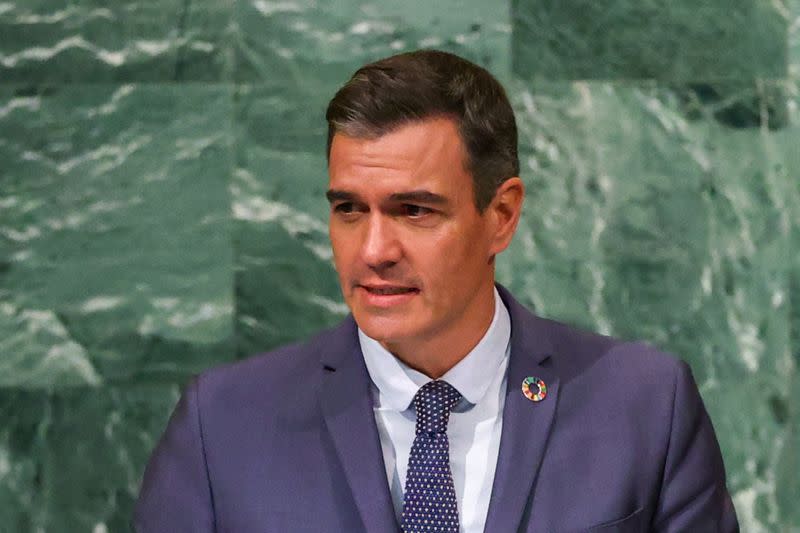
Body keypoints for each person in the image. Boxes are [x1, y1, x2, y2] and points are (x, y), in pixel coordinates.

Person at [134, 50, 739, 532]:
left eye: (414, 211)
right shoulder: (223, 425)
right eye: (349, 208)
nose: (373, 251)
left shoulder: (645, 406)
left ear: (501, 215)